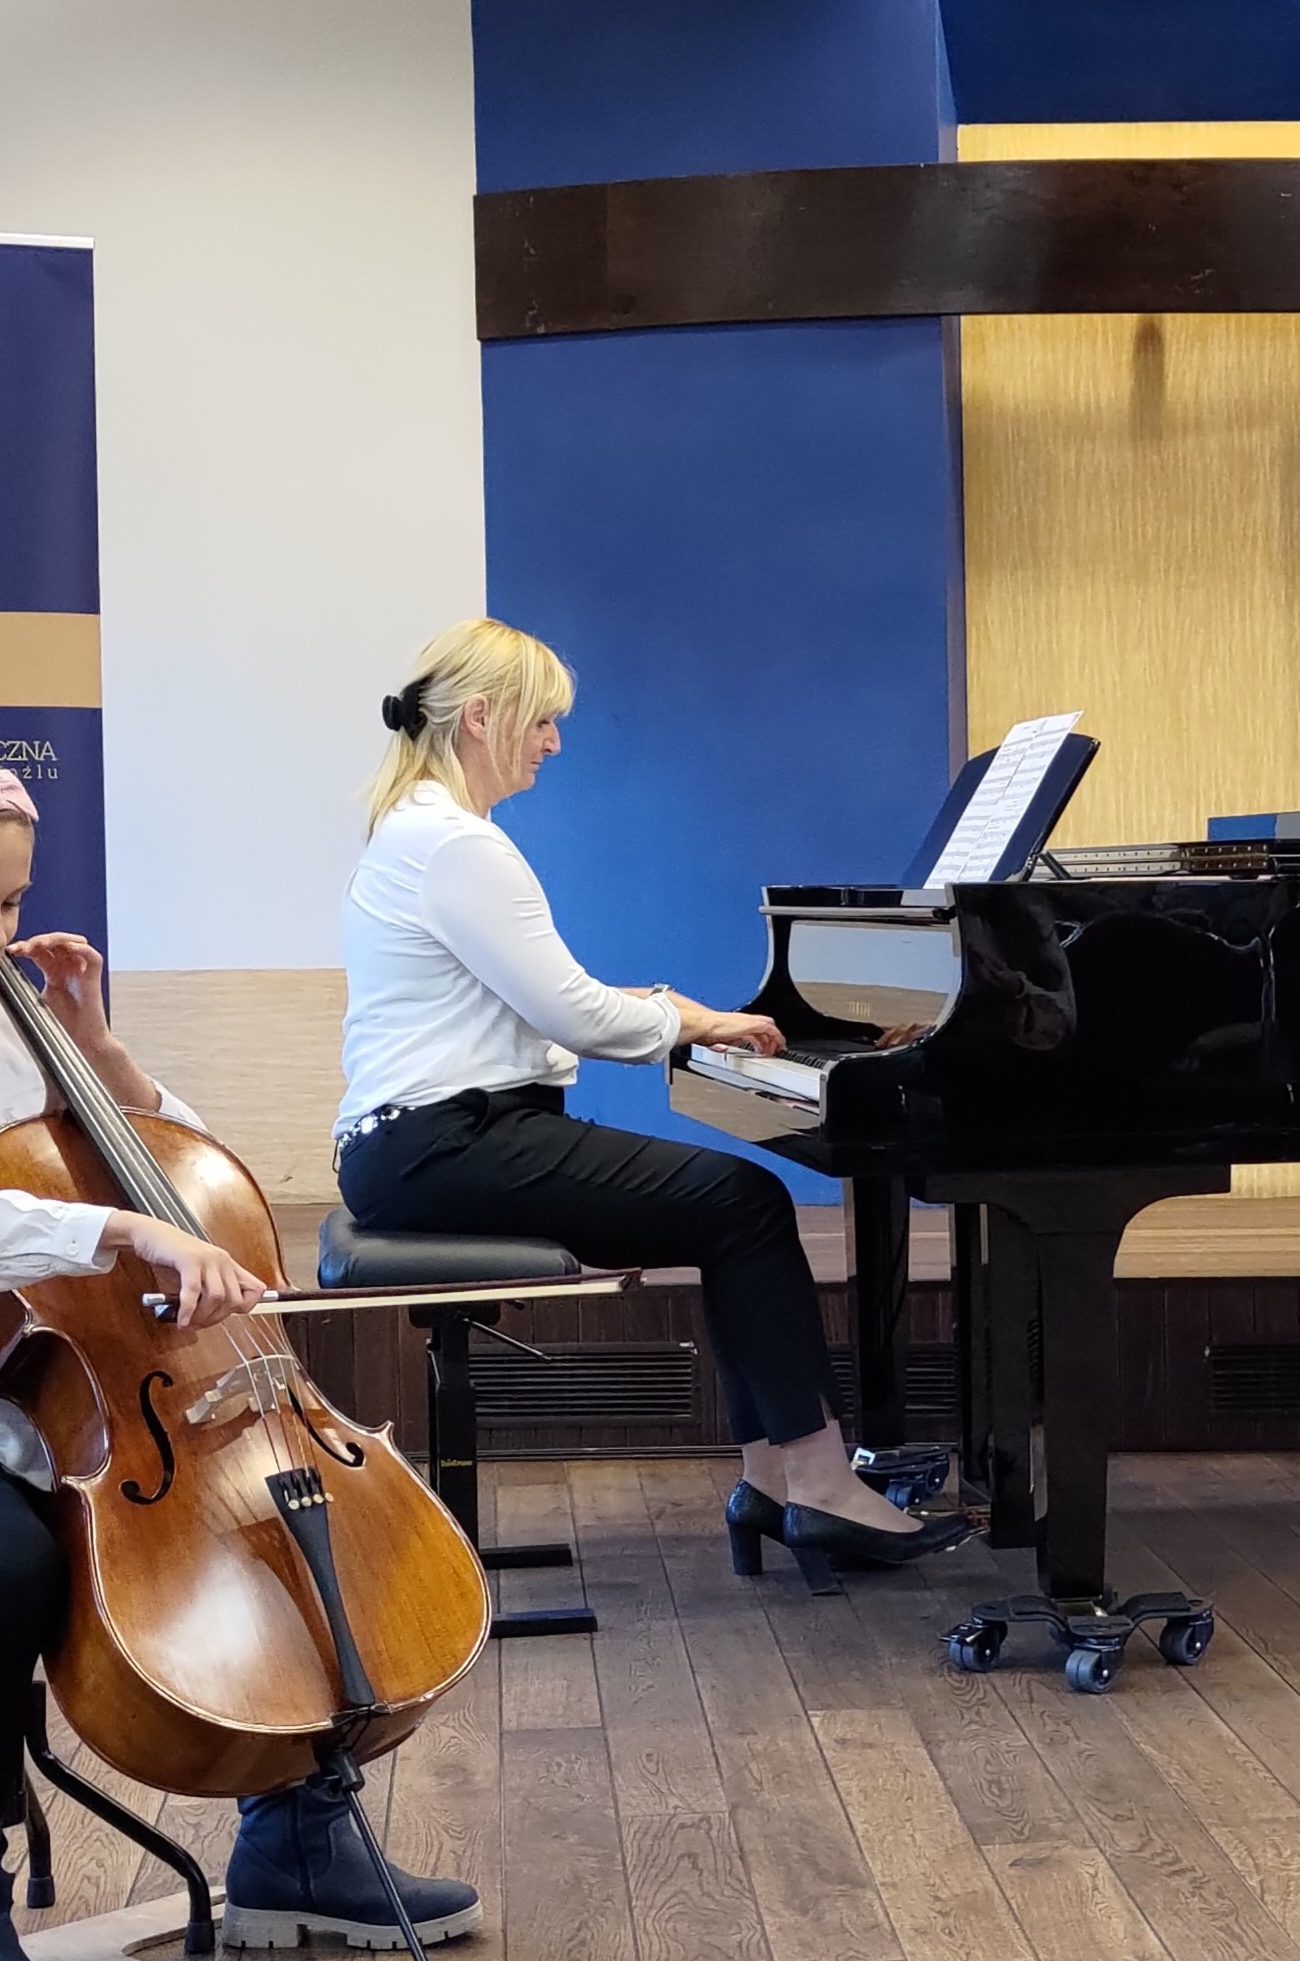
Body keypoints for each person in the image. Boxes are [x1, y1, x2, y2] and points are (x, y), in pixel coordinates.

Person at [0, 742, 478, 1961]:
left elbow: (186, 1170)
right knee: (6, 1559)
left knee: (263, 1529)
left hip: (87, 1410)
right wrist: (113, 1231)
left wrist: (103, 1057)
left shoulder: (16, 1026)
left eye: (8, 901)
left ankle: (293, 1840)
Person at [326, 619, 973, 1583]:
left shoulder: (421, 832)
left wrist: (680, 1013)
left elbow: (540, 1001)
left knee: (732, 1212)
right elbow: (574, 1015)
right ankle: (815, 1483)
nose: (553, 742)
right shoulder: (457, 845)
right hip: (443, 1144)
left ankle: (774, 1480)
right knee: (743, 1204)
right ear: (480, 718)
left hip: (417, 1143)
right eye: (540, 721)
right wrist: (688, 1021)